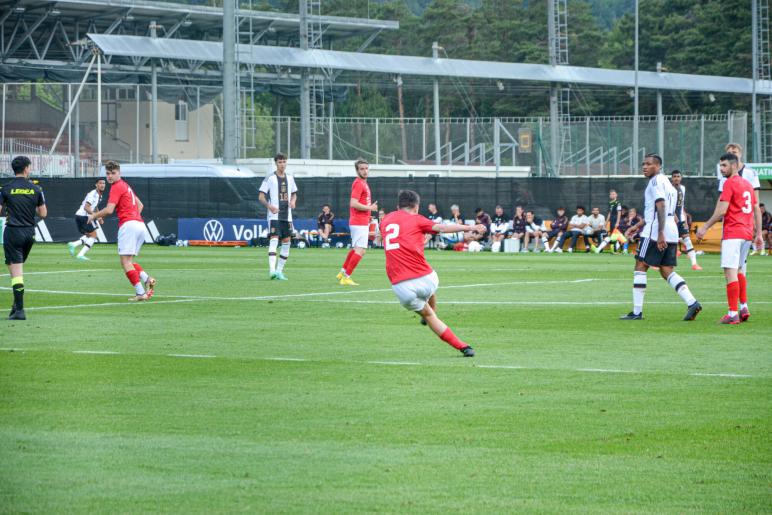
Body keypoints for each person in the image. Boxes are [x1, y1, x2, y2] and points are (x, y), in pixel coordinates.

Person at [380, 189, 486, 357]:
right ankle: (461, 342)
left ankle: (463, 347)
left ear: (397, 206)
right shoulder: (417, 219)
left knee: (429, 316)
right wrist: (471, 226)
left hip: (400, 286)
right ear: (416, 207)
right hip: (425, 279)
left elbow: (400, 239)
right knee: (430, 288)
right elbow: (443, 228)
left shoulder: (385, 221)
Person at [620, 154, 701, 321]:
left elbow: (661, 206)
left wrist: (660, 232)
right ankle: (692, 302)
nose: (644, 167)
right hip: (671, 228)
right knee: (666, 270)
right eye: (643, 164)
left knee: (640, 265)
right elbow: (668, 211)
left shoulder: (656, 181)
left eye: (648, 164)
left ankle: (637, 312)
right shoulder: (670, 185)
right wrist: (636, 226)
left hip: (656, 230)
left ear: (658, 166)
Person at [696, 153, 763, 324]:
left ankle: (732, 313)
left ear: (734, 166)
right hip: (747, 233)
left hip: (733, 232)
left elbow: (722, 211)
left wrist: (705, 227)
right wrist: (758, 233)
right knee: (739, 270)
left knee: (730, 271)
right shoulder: (747, 185)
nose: (721, 169)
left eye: (724, 166)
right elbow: (756, 208)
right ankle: (743, 307)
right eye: (720, 166)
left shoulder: (729, 183)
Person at [87, 161, 156, 301]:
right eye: (107, 173)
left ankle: (140, 293)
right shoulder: (126, 186)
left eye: (113, 173)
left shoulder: (116, 187)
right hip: (140, 225)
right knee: (129, 261)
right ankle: (147, 279)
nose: (110, 176)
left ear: (119, 173)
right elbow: (140, 205)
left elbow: (109, 209)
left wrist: (93, 215)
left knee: (125, 262)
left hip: (129, 225)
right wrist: (134, 216)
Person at [0, 156, 47, 320]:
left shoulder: (5, 188)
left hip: (13, 232)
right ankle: (15, 305)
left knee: (16, 271)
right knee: (12, 266)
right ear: (26, 168)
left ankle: (19, 310)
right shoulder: (36, 189)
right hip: (29, 233)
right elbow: (43, 213)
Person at [337, 159, 377, 286]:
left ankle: (342, 272)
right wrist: (369, 208)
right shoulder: (359, 183)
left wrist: (368, 214)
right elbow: (353, 203)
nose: (365, 171)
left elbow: (361, 203)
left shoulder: (363, 183)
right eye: (362, 169)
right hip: (358, 222)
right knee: (361, 250)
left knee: (356, 249)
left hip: (361, 220)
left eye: (366, 168)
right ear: (357, 170)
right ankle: (346, 277)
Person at [259, 153, 298, 280]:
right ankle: (272, 271)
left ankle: (279, 272)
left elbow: (294, 194)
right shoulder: (270, 178)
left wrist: (293, 201)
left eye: (284, 162)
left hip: (287, 217)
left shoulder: (290, 178)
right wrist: (269, 206)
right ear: (276, 163)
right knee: (274, 240)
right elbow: (261, 197)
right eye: (280, 162)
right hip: (274, 216)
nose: (282, 164)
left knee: (287, 243)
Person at [67, 177, 106, 260]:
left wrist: (98, 216)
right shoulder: (93, 194)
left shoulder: (100, 195)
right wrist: (96, 216)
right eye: (100, 183)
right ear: (96, 185)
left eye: (103, 183)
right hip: (84, 216)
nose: (102, 185)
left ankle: (73, 244)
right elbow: (86, 207)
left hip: (80, 216)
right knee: (94, 236)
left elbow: (95, 207)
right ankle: (80, 255)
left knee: (89, 236)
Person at [670, 170, 701, 270]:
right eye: (674, 176)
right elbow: (668, 205)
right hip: (670, 219)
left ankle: (694, 264)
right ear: (671, 178)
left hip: (681, 220)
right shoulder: (669, 189)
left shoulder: (682, 189)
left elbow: (681, 205)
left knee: (687, 240)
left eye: (678, 176)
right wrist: (674, 215)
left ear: (681, 178)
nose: (676, 178)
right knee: (667, 241)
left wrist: (685, 220)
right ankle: (657, 263)